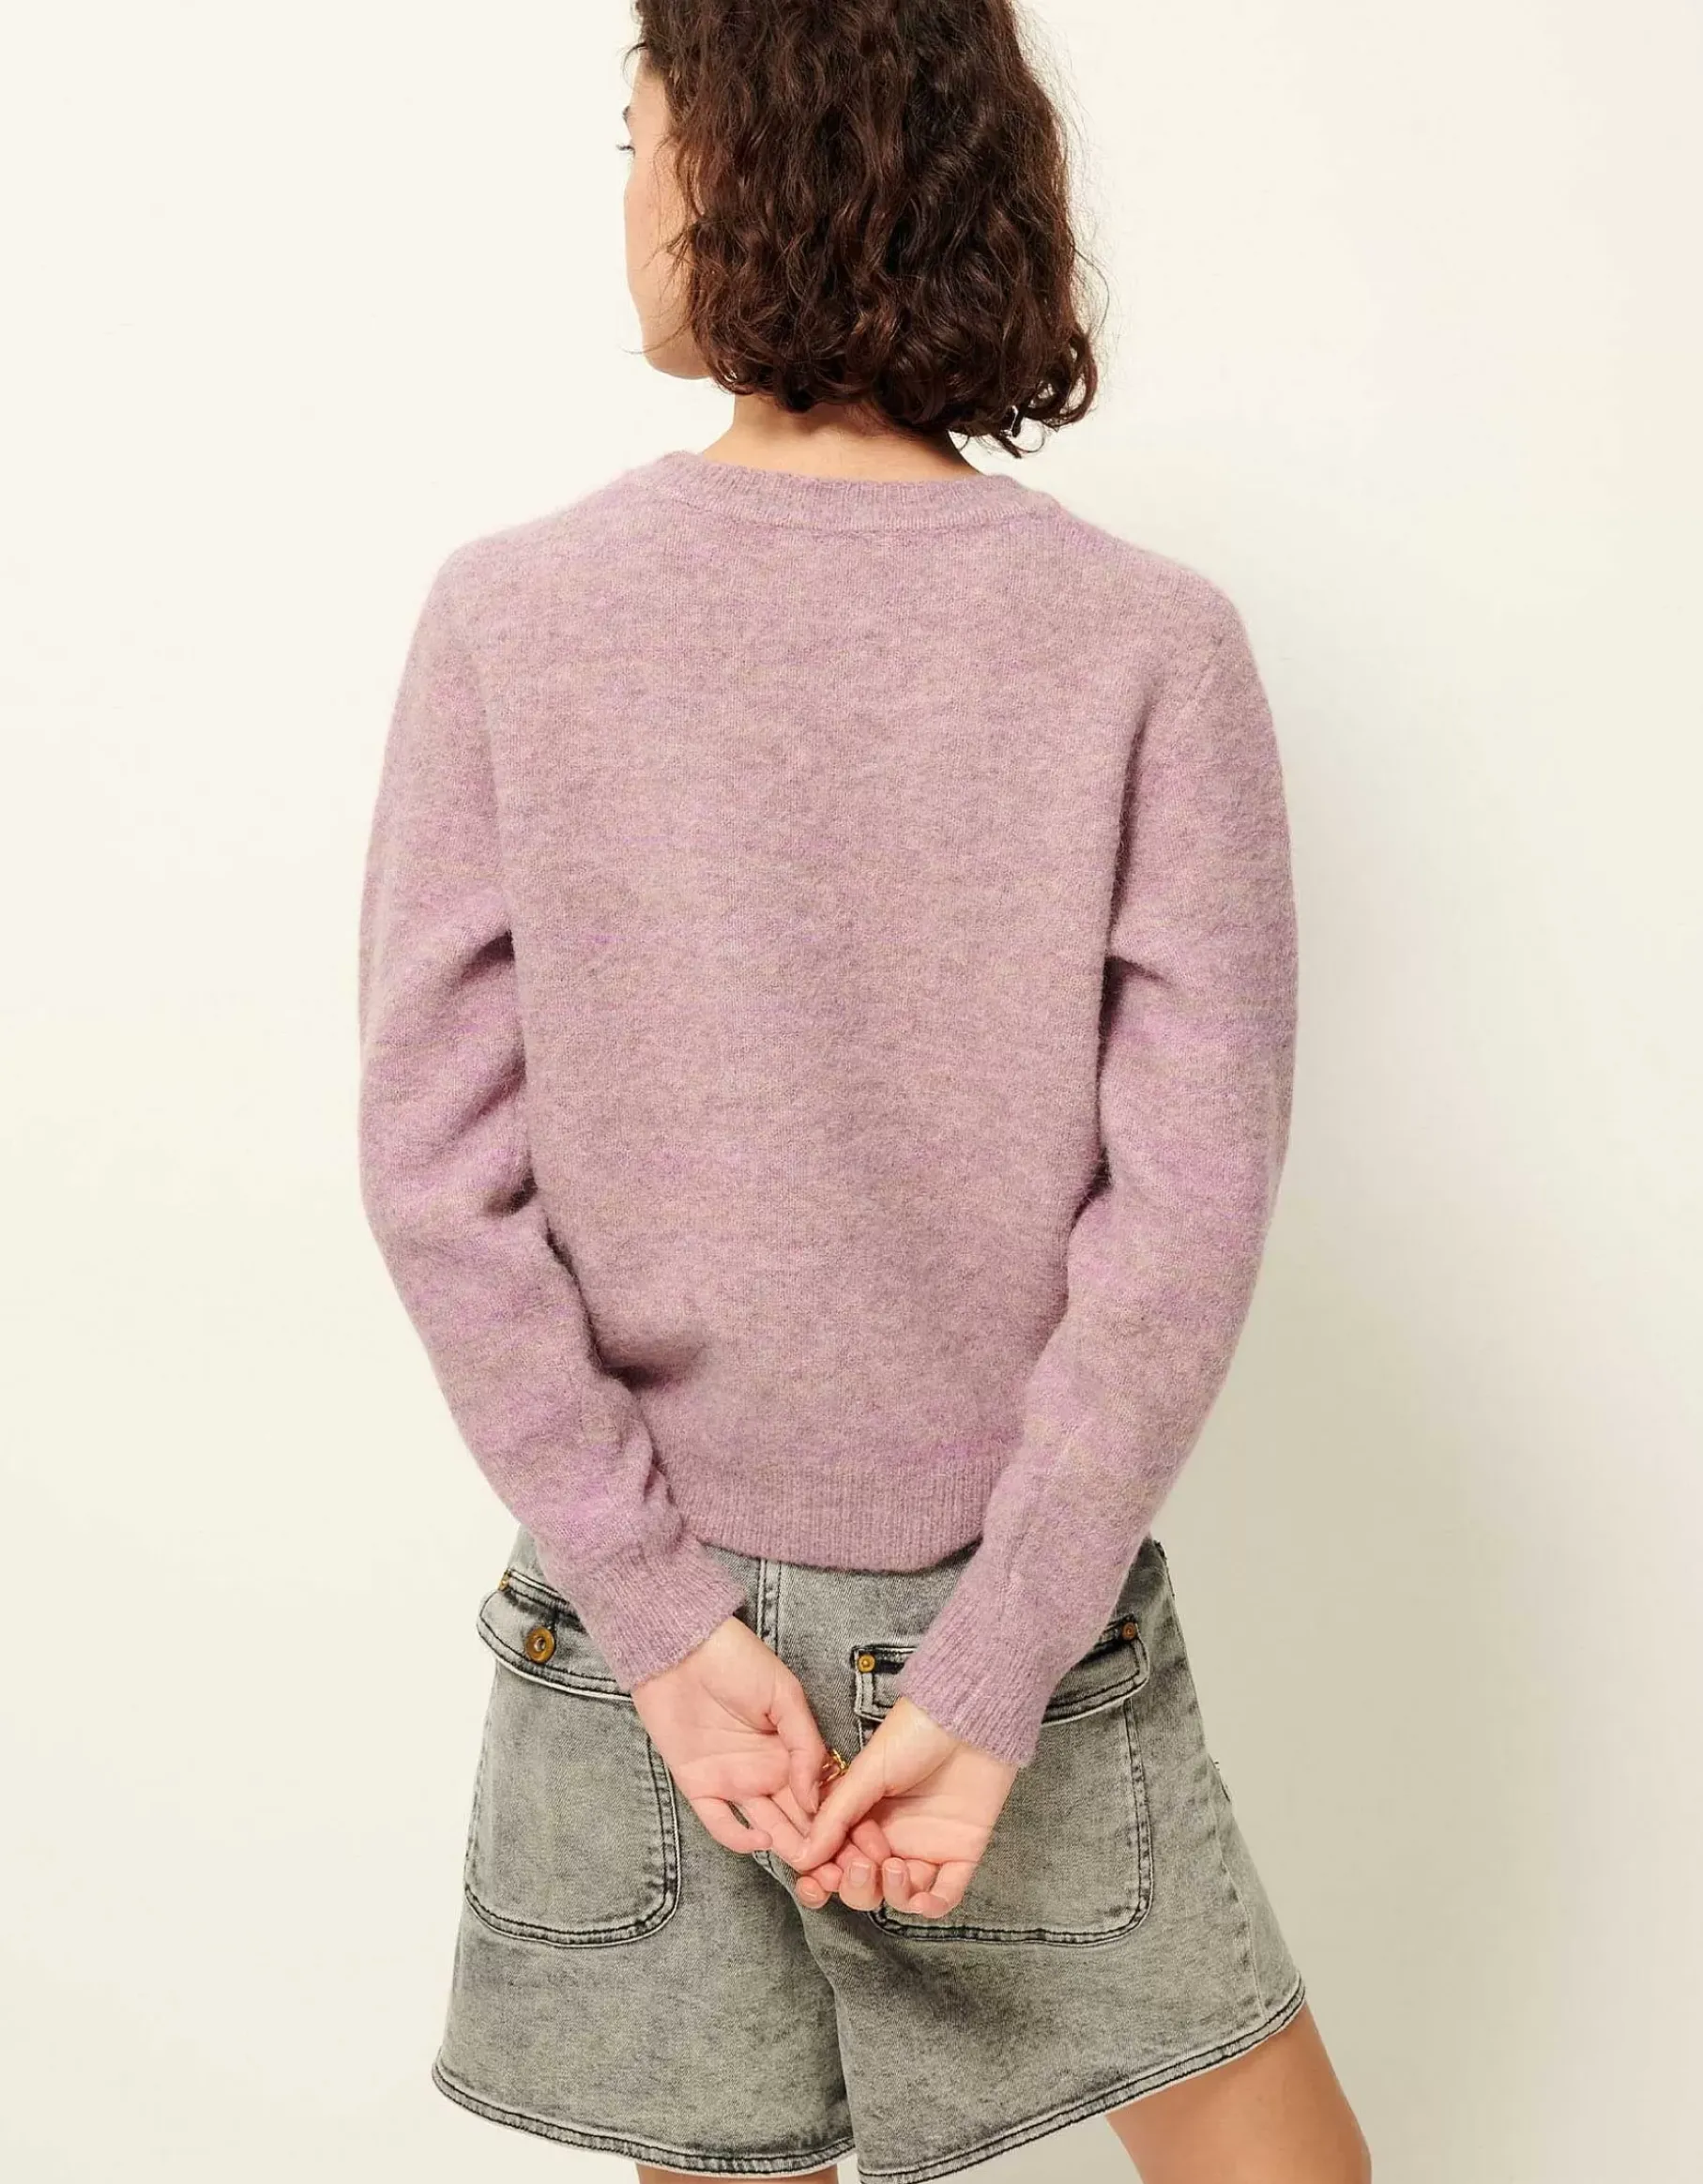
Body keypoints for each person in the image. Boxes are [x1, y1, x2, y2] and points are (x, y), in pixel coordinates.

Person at [356, 4, 1369, 2179]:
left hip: (649, 1599)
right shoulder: (1148, 642)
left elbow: (438, 1180)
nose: (623, 192)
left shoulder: (514, 617)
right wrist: (997, 1661)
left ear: (738, 160)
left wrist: (661, 1615)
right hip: (1012, 1588)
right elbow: (1185, 1212)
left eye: (634, 136)